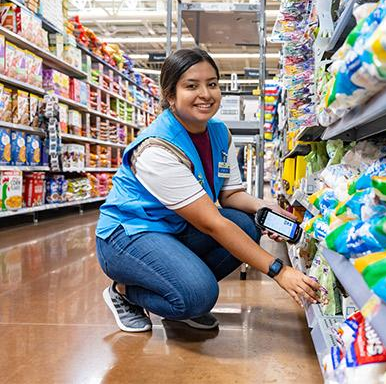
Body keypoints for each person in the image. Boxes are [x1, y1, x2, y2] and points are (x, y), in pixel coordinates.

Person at [95, 48, 320, 333]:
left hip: (172, 228)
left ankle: (181, 291)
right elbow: (211, 223)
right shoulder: (156, 148)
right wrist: (279, 270)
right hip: (127, 236)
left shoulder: (218, 132)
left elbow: (230, 195)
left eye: (212, 84)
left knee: (246, 223)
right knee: (200, 295)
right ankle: (125, 292)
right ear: (170, 95)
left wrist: (265, 208)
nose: (206, 94)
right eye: (191, 86)